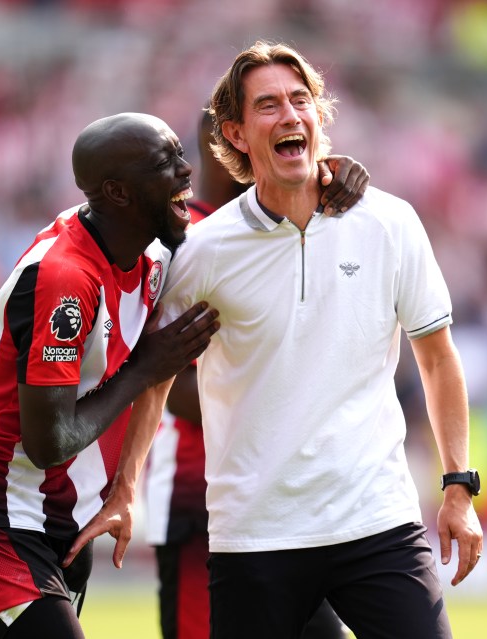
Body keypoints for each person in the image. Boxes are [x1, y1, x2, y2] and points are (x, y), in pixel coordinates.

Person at [74, 42, 484, 638]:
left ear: (320, 116)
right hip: (254, 537)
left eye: (301, 100)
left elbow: (439, 359)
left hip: (377, 523)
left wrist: (458, 486)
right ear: (236, 134)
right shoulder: (201, 251)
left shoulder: (391, 223)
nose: (290, 115)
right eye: (268, 105)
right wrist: (125, 488)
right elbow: (156, 374)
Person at [0, 112, 223, 639]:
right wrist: (145, 367)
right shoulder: (65, 279)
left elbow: (239, 213)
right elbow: (48, 442)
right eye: (165, 162)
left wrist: (327, 182)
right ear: (118, 192)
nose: (185, 171)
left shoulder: (152, 249)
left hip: (59, 519)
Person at [143, 107, 368, 639]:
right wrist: (292, 404)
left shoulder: (288, 229)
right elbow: (172, 387)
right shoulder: (184, 241)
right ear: (227, 143)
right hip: (201, 491)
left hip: (286, 493)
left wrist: (340, 179)